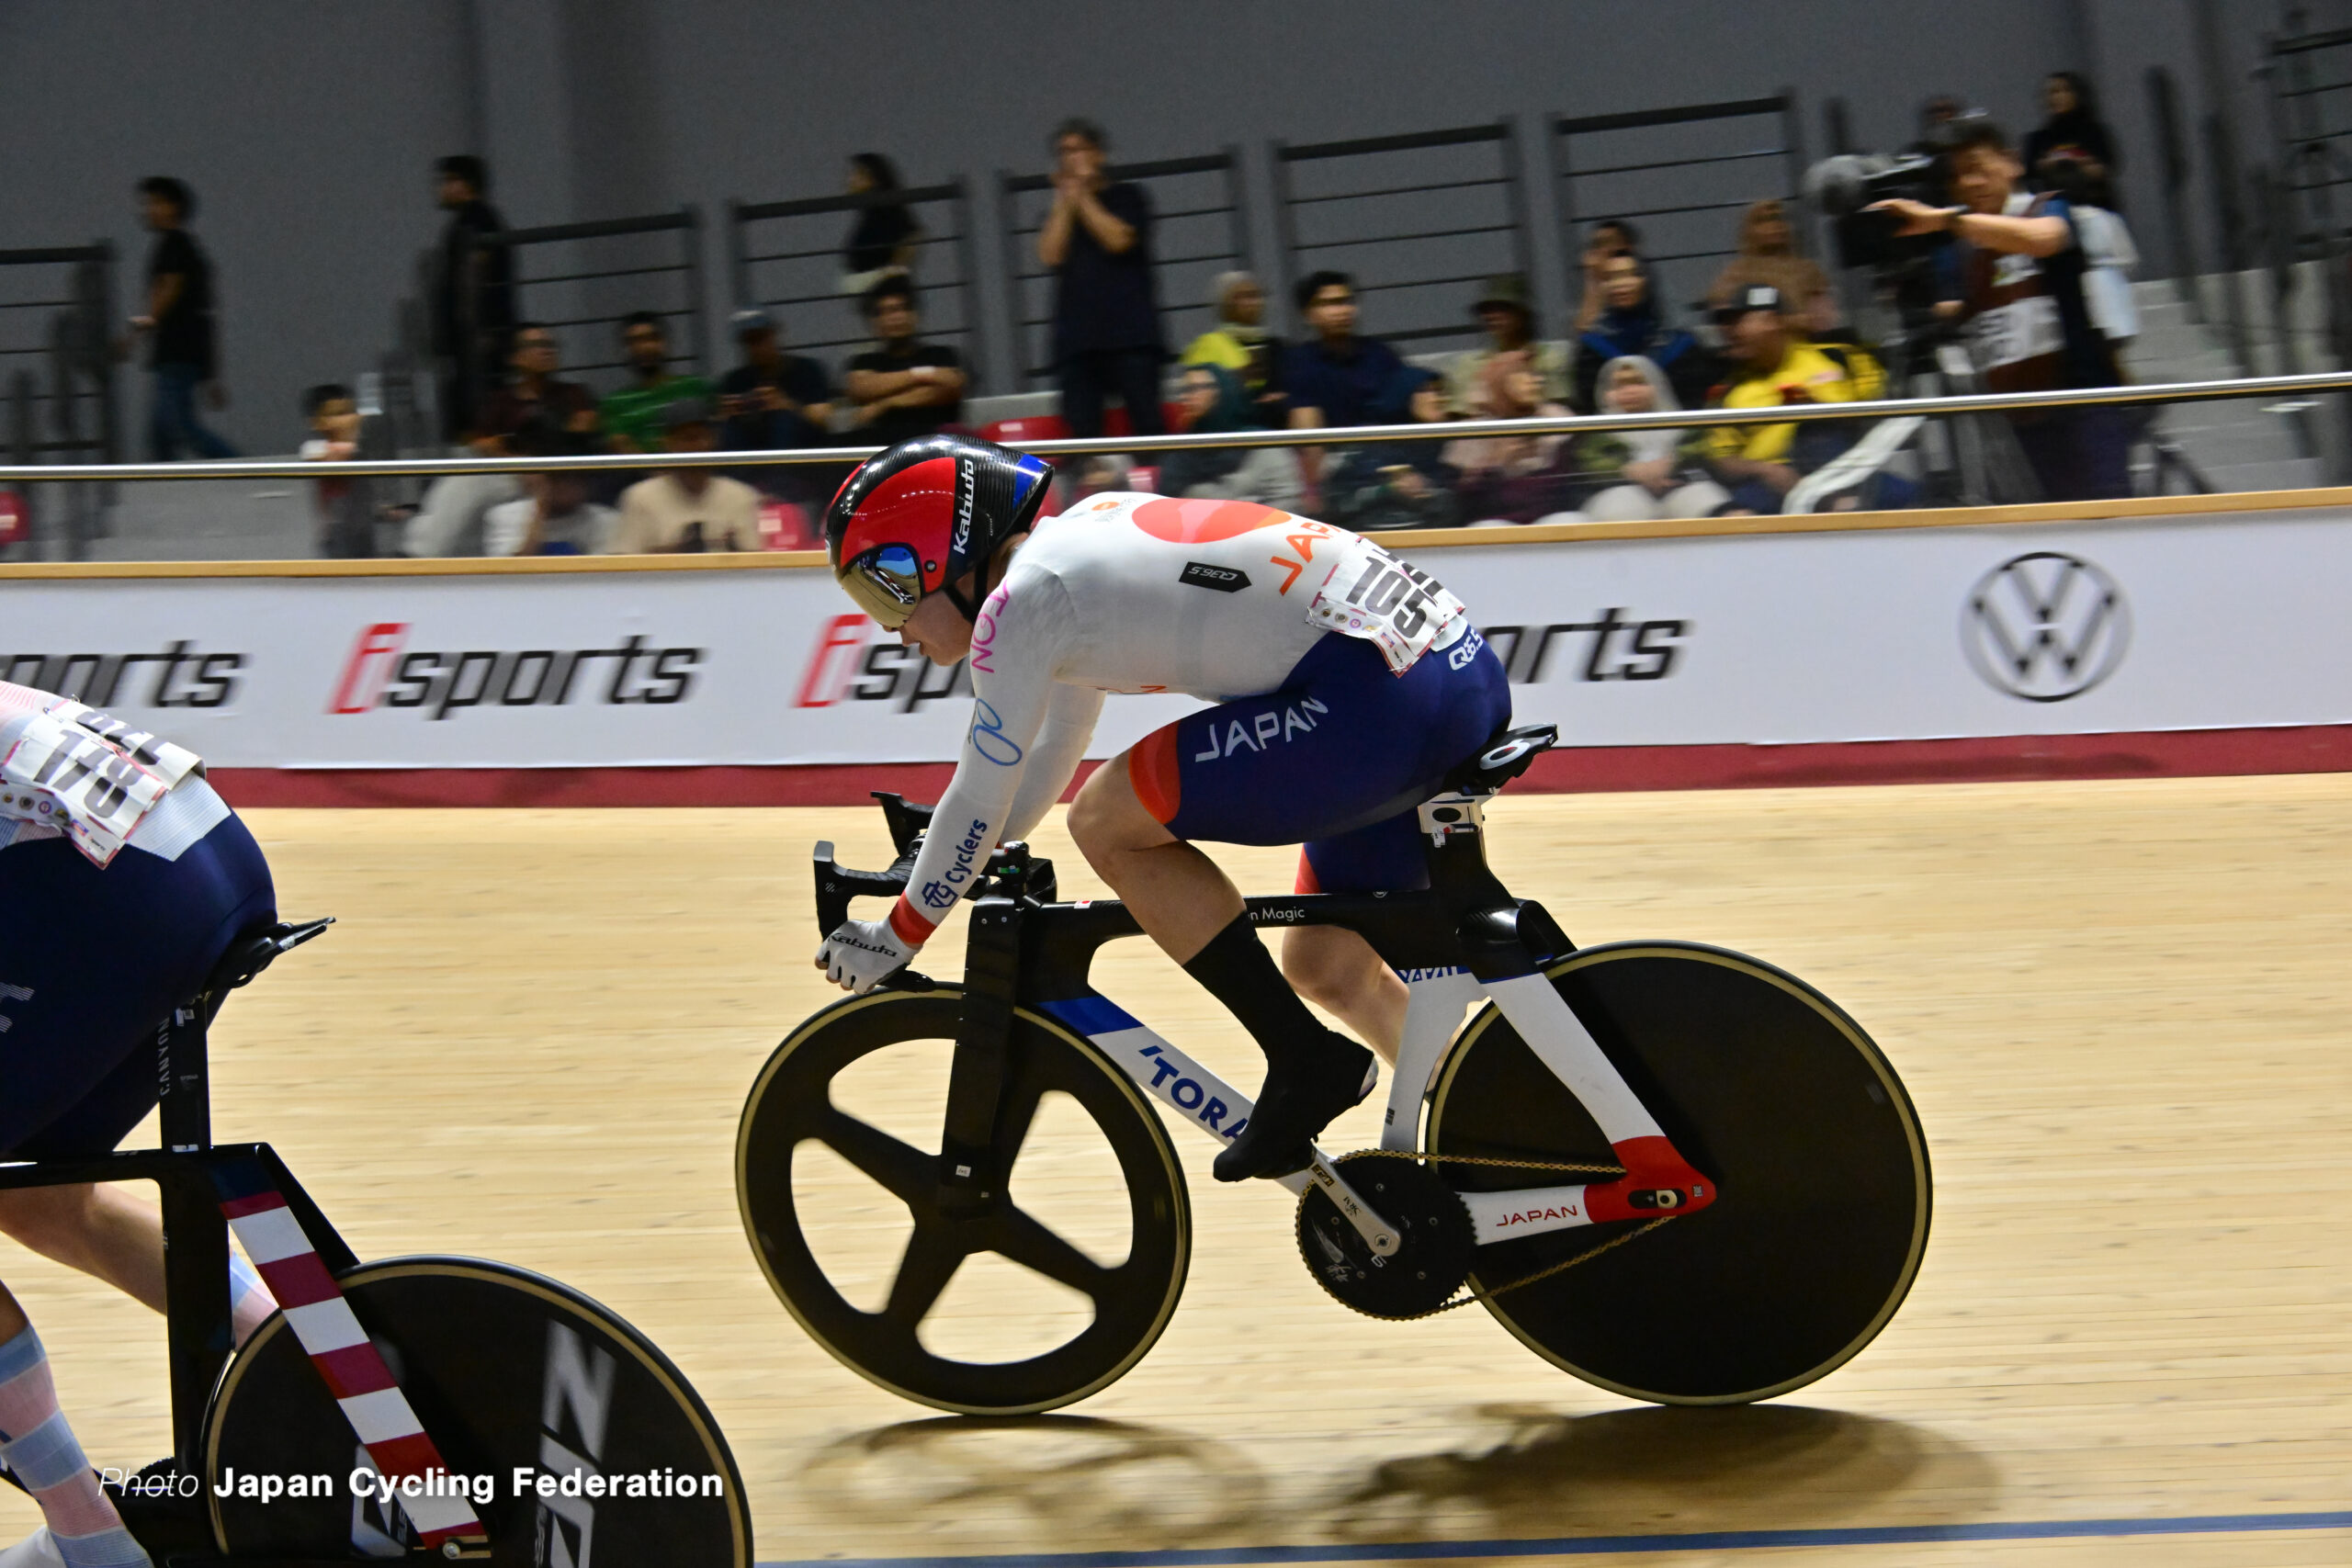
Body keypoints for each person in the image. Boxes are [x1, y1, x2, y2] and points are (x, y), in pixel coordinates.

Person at [814, 434, 1515, 1185]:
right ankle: (1504, 1135)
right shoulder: (1075, 546)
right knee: (1331, 966)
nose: (889, 625)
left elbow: (984, 788)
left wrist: (900, 932)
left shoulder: (1020, 606)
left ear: (938, 557)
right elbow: (1051, 747)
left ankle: (1302, 1057)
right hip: (1446, 673)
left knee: (1104, 817)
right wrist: (952, 860)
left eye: (884, 589)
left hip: (1376, 702)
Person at [0, 682, 282, 1568]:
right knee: (44, 1201)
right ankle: (331, 1379)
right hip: (206, 856)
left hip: (102, 885)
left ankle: (94, 1545)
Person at [1871, 119, 2130, 501]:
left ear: (2012, 163)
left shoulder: (2045, 206)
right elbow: (1951, 310)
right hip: (2019, 421)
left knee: (2113, 519)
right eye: (1958, 176)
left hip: (2083, 404)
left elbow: (2046, 239)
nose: (1969, 183)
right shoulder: (1957, 247)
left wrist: (1944, 219)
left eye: (1977, 168)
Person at [1036, 119, 1165, 439]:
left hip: (1131, 337)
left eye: (1077, 149)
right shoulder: (1059, 210)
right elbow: (1050, 255)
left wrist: (1081, 196)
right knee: (1082, 437)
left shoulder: (1128, 197)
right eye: (1063, 152)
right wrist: (1065, 201)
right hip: (1077, 342)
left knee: (1147, 428)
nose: (1070, 158)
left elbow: (1118, 240)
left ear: (1099, 154)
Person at [1701, 285, 1871, 515]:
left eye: (1737, 321)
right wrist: (1765, 470)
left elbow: (1876, 417)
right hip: (1768, 483)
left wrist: (1814, 408)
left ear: (1772, 320)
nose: (1728, 331)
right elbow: (1721, 459)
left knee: (1817, 432)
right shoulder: (1728, 389)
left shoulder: (1836, 357)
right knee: (1735, 516)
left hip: (1842, 472)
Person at [130, 177, 234, 462]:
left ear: (173, 207)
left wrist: (143, 326)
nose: (147, 210)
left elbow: (169, 289)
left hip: (177, 352)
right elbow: (207, 312)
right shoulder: (184, 247)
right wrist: (212, 374)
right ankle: (162, 482)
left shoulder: (175, 246)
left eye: (153, 203)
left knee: (178, 427)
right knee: (161, 432)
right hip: (181, 353)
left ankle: (240, 466)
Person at [1558, 356, 1729, 522]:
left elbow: (1700, 448)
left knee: (1704, 498)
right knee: (1622, 506)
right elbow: (1591, 462)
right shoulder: (1597, 432)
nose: (1630, 391)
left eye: (1638, 382)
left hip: (1678, 487)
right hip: (1618, 493)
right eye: (1619, 385)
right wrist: (1627, 471)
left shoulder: (1683, 424)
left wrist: (1672, 461)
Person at [1309, 366, 1462, 533]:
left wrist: (1427, 493)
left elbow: (1458, 503)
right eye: (1425, 391)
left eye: (1439, 392)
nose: (1437, 399)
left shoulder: (1449, 445)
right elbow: (1336, 505)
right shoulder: (1368, 443)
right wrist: (1387, 490)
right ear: (1403, 394)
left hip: (1434, 539)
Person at [429, 155, 515, 443]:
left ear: (463, 183)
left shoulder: (476, 221)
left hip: (478, 344)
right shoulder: (476, 221)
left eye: (446, 181)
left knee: (477, 413)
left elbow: (474, 282)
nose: (441, 189)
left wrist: (473, 333)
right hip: (477, 342)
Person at [605, 400, 763, 553]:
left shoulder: (741, 495)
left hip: (727, 579)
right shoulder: (640, 497)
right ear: (667, 443)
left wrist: (733, 549)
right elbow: (624, 562)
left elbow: (757, 562)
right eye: (686, 438)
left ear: (713, 440)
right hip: (664, 580)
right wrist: (679, 551)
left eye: (701, 437)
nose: (695, 447)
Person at [1572, 253, 1713, 412]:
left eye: (1629, 275)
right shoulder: (1592, 347)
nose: (1619, 284)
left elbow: (1694, 399)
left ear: (1646, 281)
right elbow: (1589, 405)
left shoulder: (1680, 343)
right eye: (1610, 278)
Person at [1447, 351, 1574, 525]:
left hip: (1549, 518)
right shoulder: (1472, 432)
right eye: (1522, 374)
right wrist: (1496, 464)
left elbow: (1566, 490)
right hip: (1496, 521)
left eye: (1534, 374)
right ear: (1499, 383)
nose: (1535, 380)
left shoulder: (1557, 418)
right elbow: (1465, 506)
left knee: (1568, 522)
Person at [1157, 363, 1305, 509]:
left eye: (1193, 389)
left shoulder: (1261, 445)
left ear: (1222, 391)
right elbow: (1167, 507)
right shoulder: (1180, 451)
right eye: (1183, 390)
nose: (1184, 397)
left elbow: (1288, 500)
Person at [843, 276, 967, 445]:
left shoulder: (941, 354)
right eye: (887, 311)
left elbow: (953, 385)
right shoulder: (865, 362)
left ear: (914, 315)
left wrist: (886, 403)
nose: (896, 317)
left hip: (937, 444)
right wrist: (925, 376)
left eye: (901, 309)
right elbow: (861, 388)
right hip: (884, 448)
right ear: (874, 322)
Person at [1279, 272, 1406, 431]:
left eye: (1346, 302)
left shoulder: (1381, 355)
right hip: (1333, 449)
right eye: (1329, 304)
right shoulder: (1299, 361)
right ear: (1308, 314)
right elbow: (1305, 424)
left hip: (1386, 444)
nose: (1342, 311)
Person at [1445, 275, 1570, 414]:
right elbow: (1461, 416)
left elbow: (1558, 408)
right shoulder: (1469, 366)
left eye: (1502, 308)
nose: (1492, 316)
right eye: (1486, 310)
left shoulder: (1549, 359)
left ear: (1521, 314)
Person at [484, 428, 619, 556]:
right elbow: (509, 573)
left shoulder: (605, 520)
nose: (569, 487)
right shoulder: (505, 516)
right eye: (560, 478)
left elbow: (602, 575)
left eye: (577, 478)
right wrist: (541, 509)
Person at [717, 309, 832, 453]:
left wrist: (786, 405)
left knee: (783, 420)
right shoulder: (735, 380)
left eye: (760, 338)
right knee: (729, 429)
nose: (756, 348)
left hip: (803, 446)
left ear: (774, 335)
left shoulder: (807, 369)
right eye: (749, 342)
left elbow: (825, 418)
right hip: (752, 443)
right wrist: (727, 415)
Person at [472, 323, 599, 457]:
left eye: (550, 345)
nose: (548, 352)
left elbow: (584, 429)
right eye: (538, 344)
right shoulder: (499, 401)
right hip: (517, 472)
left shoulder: (573, 393)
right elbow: (483, 444)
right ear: (515, 357)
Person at [599, 311, 716, 455]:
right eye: (635, 341)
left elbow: (710, 436)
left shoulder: (694, 387)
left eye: (651, 339)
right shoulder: (615, 402)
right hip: (641, 476)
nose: (644, 347)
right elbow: (620, 445)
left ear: (666, 344)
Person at [1179, 272, 1285, 423]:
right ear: (1224, 303)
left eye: (1255, 296)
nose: (1250, 303)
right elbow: (1199, 398)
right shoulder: (1206, 345)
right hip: (1229, 427)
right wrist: (1238, 379)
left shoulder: (1278, 346)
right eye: (1241, 297)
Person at [1707, 198, 1833, 321]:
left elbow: (1821, 317)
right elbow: (1724, 315)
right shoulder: (1736, 273)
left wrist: (1787, 322)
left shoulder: (1807, 269)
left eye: (1779, 218)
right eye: (1765, 221)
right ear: (1750, 230)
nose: (1775, 226)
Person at [299, 383, 382, 558]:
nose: (349, 419)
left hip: (365, 536)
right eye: (339, 414)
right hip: (336, 541)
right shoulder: (314, 449)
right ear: (317, 423)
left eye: (351, 412)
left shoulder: (360, 453)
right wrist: (352, 437)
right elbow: (334, 458)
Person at [2023, 73, 2120, 201]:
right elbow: (2030, 172)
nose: (2057, 97)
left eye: (2064, 91)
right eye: (2052, 92)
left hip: (2096, 203)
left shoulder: (2095, 132)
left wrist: (2077, 162)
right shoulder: (2038, 139)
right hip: (2055, 205)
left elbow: (2107, 167)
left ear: (2077, 95)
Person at [842, 152, 922, 295]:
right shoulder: (872, 213)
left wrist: (890, 277)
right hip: (875, 292)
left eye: (857, 173)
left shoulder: (882, 212)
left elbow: (912, 236)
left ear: (874, 179)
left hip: (880, 293)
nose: (850, 179)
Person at [1572, 218, 1641, 333]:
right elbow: (1582, 328)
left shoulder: (1635, 283)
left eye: (1610, 243)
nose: (1602, 251)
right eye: (1597, 245)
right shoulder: (1592, 282)